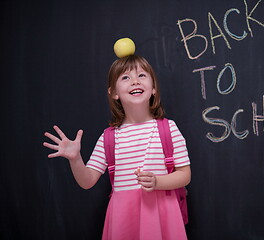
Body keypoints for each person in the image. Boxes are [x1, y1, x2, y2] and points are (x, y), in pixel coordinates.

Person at [43, 55, 191, 240]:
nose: (135, 81)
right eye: (125, 77)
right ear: (114, 93)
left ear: (153, 88)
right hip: (123, 219)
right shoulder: (109, 137)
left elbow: (185, 175)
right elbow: (87, 181)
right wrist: (75, 159)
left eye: (142, 75)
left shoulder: (168, 128)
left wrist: (157, 182)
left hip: (161, 215)